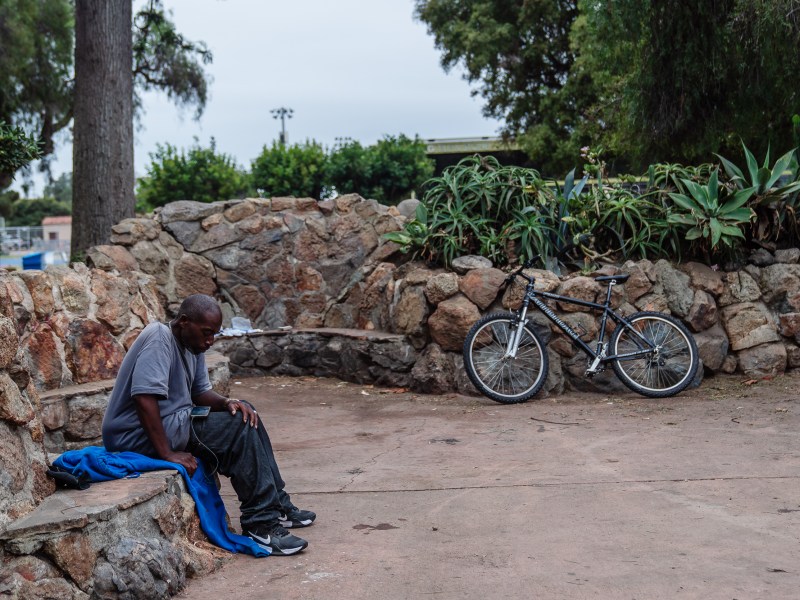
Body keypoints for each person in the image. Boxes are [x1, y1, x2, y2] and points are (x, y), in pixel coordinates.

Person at [101, 293, 315, 555]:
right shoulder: (159, 337)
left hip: (175, 421)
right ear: (183, 322)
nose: (210, 341)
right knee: (237, 429)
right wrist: (166, 453)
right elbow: (144, 399)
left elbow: (200, 393)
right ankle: (261, 526)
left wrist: (228, 403)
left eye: (214, 334)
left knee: (247, 412)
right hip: (134, 435)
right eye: (206, 333)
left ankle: (278, 506)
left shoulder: (193, 345)